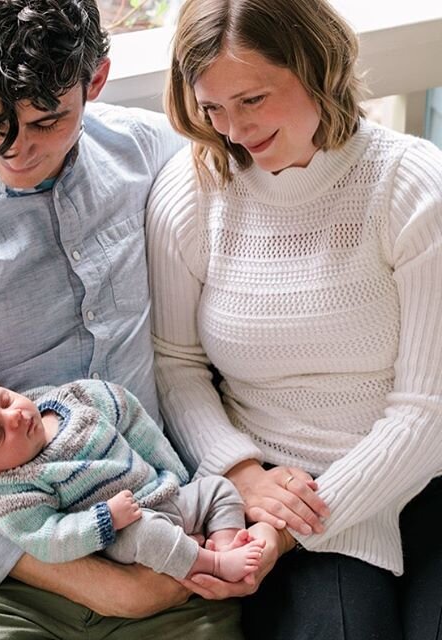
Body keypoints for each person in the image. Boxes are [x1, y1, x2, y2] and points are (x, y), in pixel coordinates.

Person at [0, 0, 245, 637]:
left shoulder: (147, 153)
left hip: (156, 520)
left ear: (97, 81)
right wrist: (119, 592)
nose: (15, 151)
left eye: (46, 121)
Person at [147, 0, 442, 638]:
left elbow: (427, 409)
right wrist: (242, 475)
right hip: (281, 483)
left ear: (316, 67)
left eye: (252, 99)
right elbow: (176, 363)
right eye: (213, 107)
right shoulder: (192, 190)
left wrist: (283, 534)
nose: (233, 130)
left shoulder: (411, 185)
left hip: (421, 478)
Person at [0, 374, 267, 583]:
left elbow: (135, 422)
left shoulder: (77, 399)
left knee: (220, 489)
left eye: (3, 400)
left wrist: (173, 475)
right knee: (150, 535)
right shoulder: (8, 489)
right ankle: (213, 565)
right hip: (126, 532)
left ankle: (224, 542)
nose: (14, 416)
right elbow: (46, 538)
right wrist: (105, 518)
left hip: (166, 493)